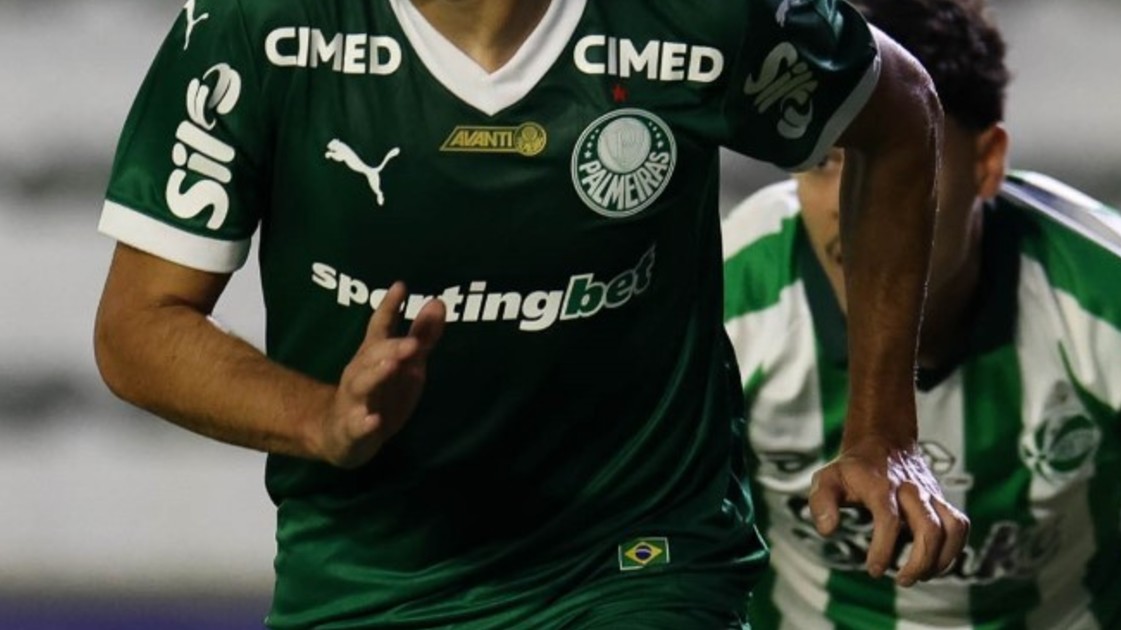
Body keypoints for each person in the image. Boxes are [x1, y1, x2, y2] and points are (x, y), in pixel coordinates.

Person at [93, 0, 967, 626]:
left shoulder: (704, 17)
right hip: (367, 574)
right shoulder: (260, 25)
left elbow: (899, 114)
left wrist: (883, 430)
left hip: (639, 553)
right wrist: (321, 420)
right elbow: (139, 325)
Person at [722, 0, 1121, 627]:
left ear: (987, 162)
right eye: (826, 160)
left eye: (904, 167)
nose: (854, 206)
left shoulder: (1117, 294)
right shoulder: (730, 293)